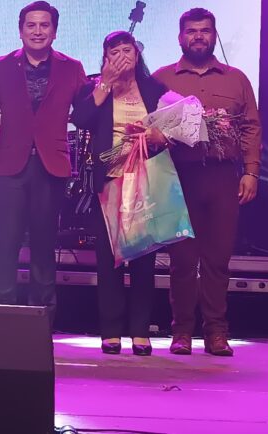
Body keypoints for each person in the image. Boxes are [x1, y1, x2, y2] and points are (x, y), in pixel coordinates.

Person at [153, 8, 262, 357]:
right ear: (180, 36)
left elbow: (250, 128)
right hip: (177, 177)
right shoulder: (162, 78)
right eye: (190, 31)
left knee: (217, 259)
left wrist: (251, 171)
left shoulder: (236, 79)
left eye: (204, 31)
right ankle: (181, 332)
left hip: (221, 176)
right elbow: (146, 127)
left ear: (214, 35)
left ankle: (216, 333)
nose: (197, 36)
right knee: (182, 261)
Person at [71, 31, 167, 355]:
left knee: (143, 258)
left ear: (137, 56)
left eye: (128, 50)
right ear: (106, 57)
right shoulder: (95, 87)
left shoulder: (154, 89)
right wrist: (105, 84)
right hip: (108, 182)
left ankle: (140, 330)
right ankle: (110, 331)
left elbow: (172, 131)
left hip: (146, 181)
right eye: (115, 52)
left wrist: (157, 135)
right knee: (108, 261)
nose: (123, 56)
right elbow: (80, 119)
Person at [0, 1, 87, 315]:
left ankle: (42, 313)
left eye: (44, 25)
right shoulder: (0, 65)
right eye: (31, 25)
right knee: (6, 241)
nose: (37, 31)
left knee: (44, 243)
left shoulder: (72, 67)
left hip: (50, 164)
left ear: (54, 31)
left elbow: (85, 114)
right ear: (20, 31)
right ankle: (2, 308)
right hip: (10, 164)